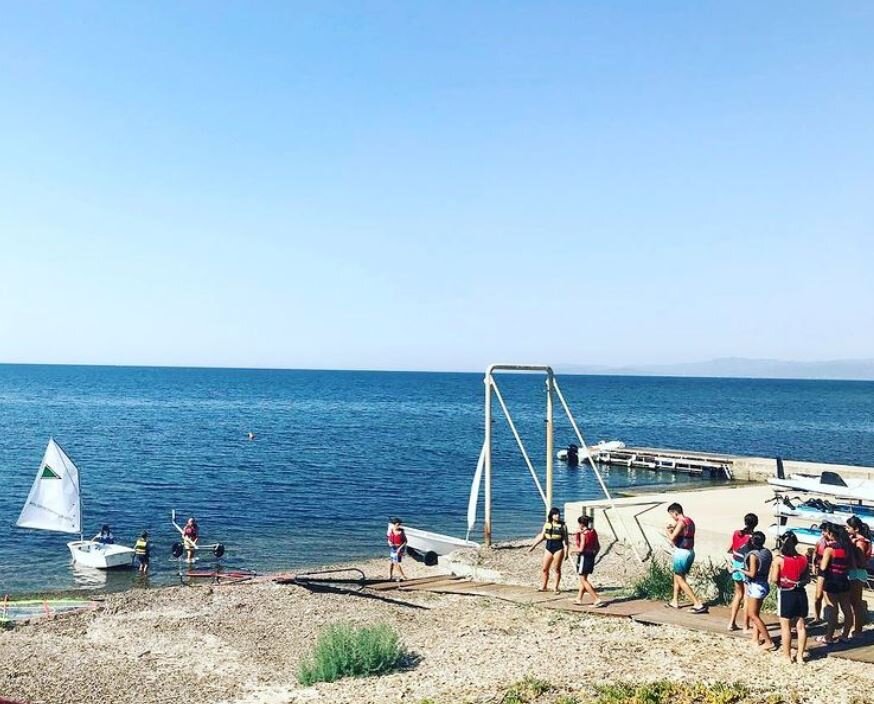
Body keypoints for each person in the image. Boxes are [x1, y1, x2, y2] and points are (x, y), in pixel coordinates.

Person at [769, 531, 809, 664]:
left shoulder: (779, 559)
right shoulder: (803, 559)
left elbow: (774, 579)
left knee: (785, 626)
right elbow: (807, 579)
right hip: (800, 593)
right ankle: (800, 656)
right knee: (801, 626)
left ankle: (786, 656)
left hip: (787, 592)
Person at [665, 503, 707, 613]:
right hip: (689, 551)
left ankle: (697, 603)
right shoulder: (689, 521)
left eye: (672, 515)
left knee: (680, 579)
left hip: (682, 553)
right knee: (677, 575)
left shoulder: (681, 522)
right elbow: (683, 531)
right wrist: (674, 527)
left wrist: (667, 531)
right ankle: (675, 600)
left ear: (675, 513)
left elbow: (672, 537)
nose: (672, 517)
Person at [818, 522, 854, 644]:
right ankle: (845, 635)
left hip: (832, 581)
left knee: (833, 610)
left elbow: (823, 567)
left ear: (831, 534)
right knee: (846, 608)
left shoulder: (829, 549)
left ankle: (828, 636)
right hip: (844, 580)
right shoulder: (847, 548)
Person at [741, 531, 776, 651]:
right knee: (756, 613)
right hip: (764, 584)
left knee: (753, 615)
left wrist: (739, 570)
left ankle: (768, 640)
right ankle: (755, 639)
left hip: (756, 585)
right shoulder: (767, 552)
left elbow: (752, 573)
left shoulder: (753, 555)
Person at [727, 513, 758, 631]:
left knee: (738, 594)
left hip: (735, 564)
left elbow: (729, 549)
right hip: (745, 566)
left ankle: (731, 623)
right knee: (746, 596)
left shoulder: (736, 533)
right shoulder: (752, 538)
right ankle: (745, 626)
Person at [528, 507, 569, 593]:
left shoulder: (563, 526)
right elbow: (542, 536)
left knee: (557, 568)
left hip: (558, 547)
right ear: (551, 515)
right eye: (555, 514)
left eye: (558, 514)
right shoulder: (547, 524)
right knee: (544, 568)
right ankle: (544, 586)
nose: (557, 516)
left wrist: (566, 552)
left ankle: (556, 587)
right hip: (549, 547)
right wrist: (533, 546)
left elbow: (566, 540)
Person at [846, 516, 871, 638]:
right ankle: (855, 627)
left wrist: (852, 563)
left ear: (855, 529)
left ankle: (858, 629)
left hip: (857, 572)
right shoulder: (856, 539)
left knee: (856, 603)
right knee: (853, 602)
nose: (847, 529)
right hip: (855, 572)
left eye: (848, 527)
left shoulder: (860, 542)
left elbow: (861, 559)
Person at [571, 515, 604, 607]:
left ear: (581, 524)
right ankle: (579, 598)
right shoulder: (593, 532)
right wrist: (594, 555)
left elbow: (581, 549)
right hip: (591, 556)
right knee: (584, 578)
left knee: (583, 580)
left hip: (584, 557)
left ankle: (596, 598)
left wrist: (572, 550)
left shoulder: (583, 534)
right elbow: (598, 547)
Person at [387, 517, 408, 581]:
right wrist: (389, 543)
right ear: (394, 524)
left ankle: (403, 575)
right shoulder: (391, 530)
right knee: (391, 562)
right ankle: (390, 576)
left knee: (395, 562)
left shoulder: (401, 531)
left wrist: (400, 549)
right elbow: (388, 538)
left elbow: (405, 541)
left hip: (400, 548)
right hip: (393, 548)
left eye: (399, 524)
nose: (399, 526)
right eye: (397, 524)